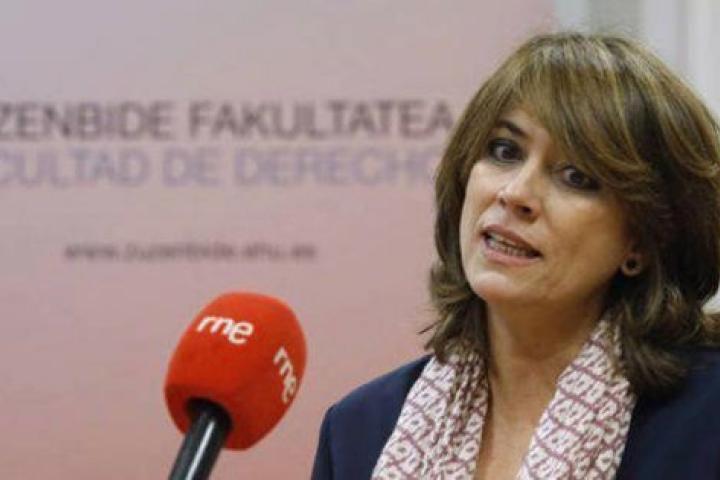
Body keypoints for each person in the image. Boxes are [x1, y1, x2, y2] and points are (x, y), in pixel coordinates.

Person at [311, 32, 720, 479]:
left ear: (642, 240)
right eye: (505, 152)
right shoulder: (358, 432)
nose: (516, 193)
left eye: (576, 176)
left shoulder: (705, 422)